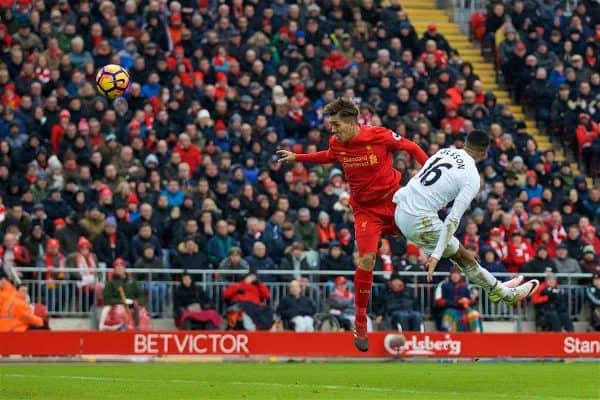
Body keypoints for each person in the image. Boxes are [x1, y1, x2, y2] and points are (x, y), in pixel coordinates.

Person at [277, 97, 428, 351]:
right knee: (366, 259)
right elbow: (328, 155)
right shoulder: (337, 142)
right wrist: (298, 156)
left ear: (350, 122)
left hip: (394, 201)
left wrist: (429, 173)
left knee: (426, 233)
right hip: (365, 211)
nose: (332, 130)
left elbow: (412, 147)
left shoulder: (378, 135)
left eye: (336, 124)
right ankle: (359, 323)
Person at [393, 130, 539, 310]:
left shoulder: (444, 151)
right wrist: (436, 256)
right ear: (485, 152)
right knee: (461, 256)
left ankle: (496, 288)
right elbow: (452, 219)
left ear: (465, 143)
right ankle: (504, 294)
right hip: (418, 219)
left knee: (463, 255)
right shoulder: (472, 177)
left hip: (401, 207)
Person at [435, 267, 482, 332]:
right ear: (450, 275)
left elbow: (472, 300)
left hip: (464, 309)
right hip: (449, 309)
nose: (455, 276)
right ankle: (454, 339)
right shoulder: (443, 285)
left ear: (460, 275)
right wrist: (456, 302)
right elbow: (439, 301)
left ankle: (478, 338)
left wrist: (468, 301)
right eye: (453, 274)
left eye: (457, 274)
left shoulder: (465, 286)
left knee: (474, 314)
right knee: (454, 316)